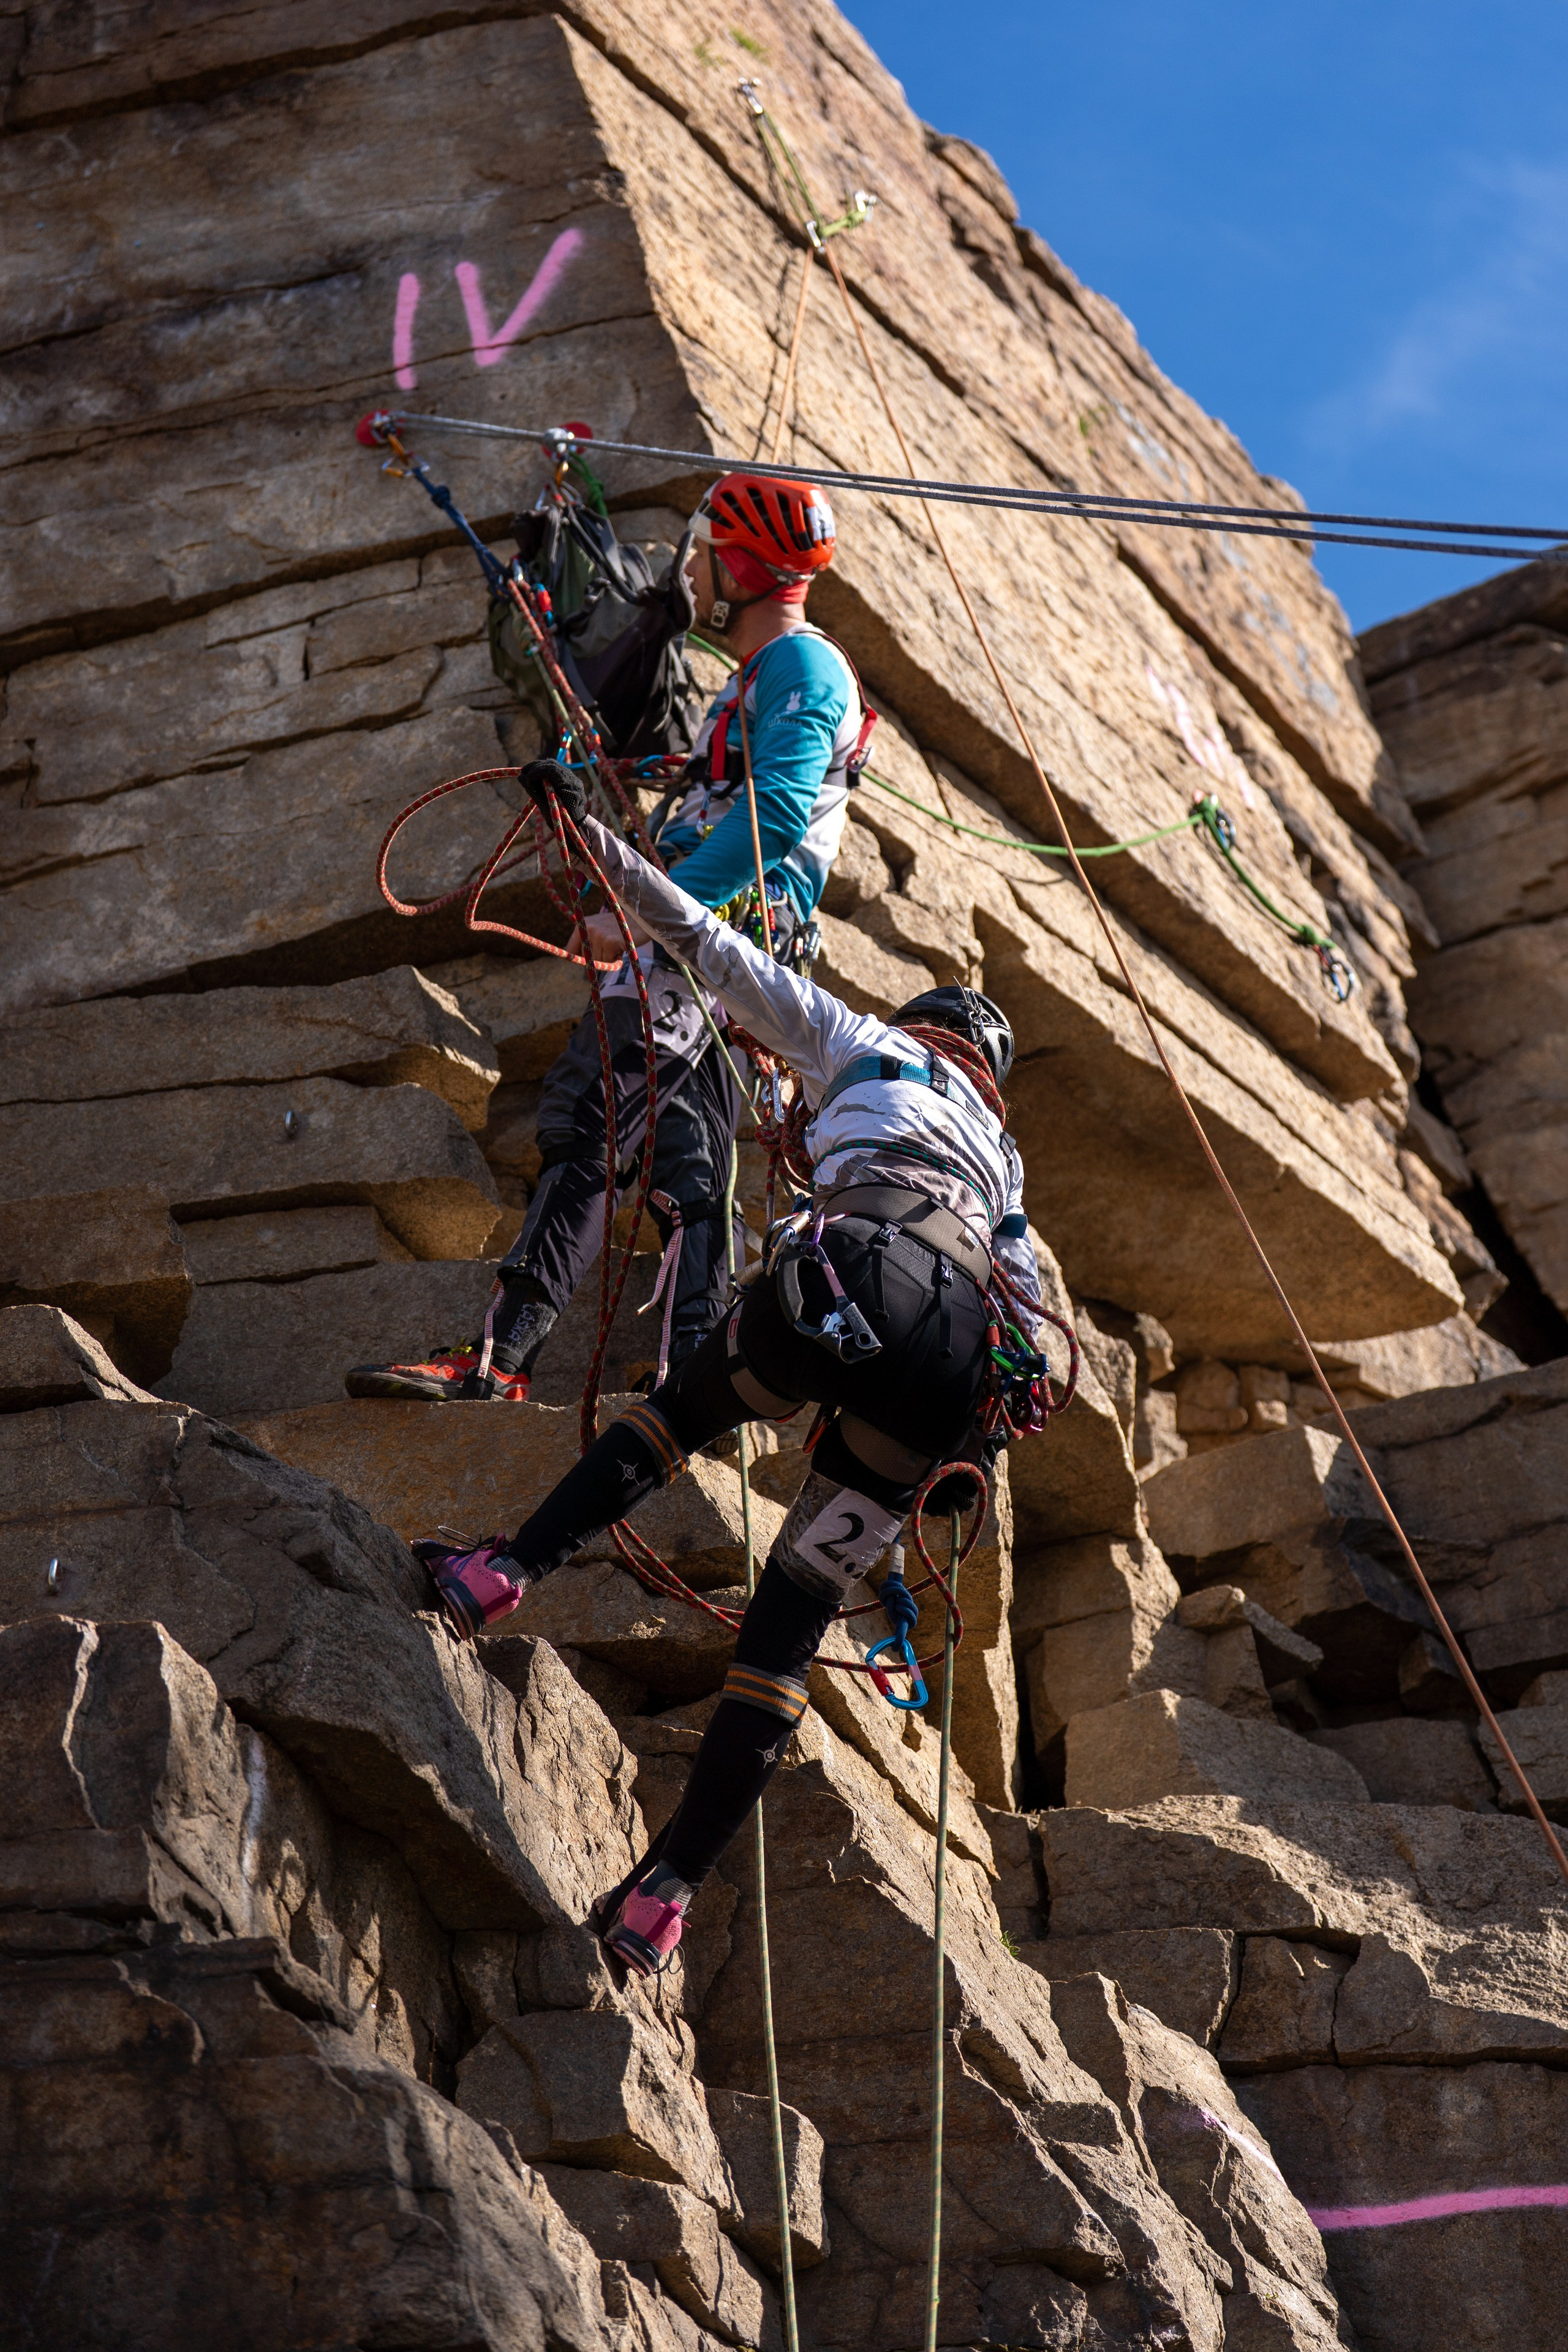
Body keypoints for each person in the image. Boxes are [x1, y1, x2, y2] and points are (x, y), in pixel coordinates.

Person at [414, 758, 1043, 1980]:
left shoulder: (860, 1042)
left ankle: (499, 1575)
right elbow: (1027, 1304)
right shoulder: (1001, 1169)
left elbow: (701, 939)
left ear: (923, 1025)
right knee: (792, 1619)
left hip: (850, 1280)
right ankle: (662, 1900)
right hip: (950, 1365)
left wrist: (590, 835)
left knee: (677, 1420)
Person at [345, 470, 870, 1405]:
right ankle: (695, 1376)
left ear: (745, 568)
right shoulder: (763, 677)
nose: (691, 572)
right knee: (688, 1161)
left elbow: (778, 814)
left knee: (590, 1113)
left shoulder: (803, 666)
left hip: (707, 939)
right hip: (729, 950)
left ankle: (499, 1359)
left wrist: (646, 911)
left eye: (705, 554)